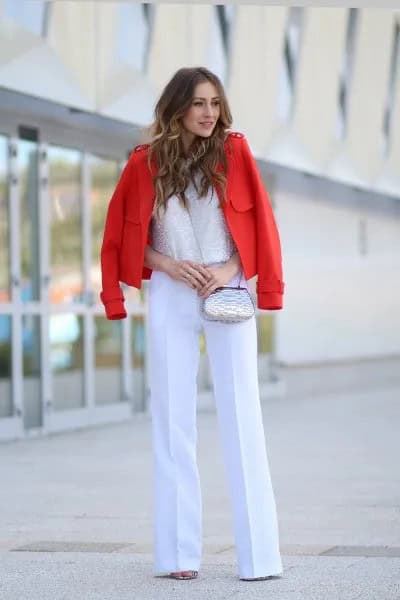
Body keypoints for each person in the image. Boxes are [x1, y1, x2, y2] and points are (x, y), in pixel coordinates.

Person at [100, 66, 285, 582]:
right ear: (178, 106)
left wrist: (230, 273)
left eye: (215, 103)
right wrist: (168, 267)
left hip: (226, 290)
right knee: (172, 422)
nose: (210, 113)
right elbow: (121, 233)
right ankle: (179, 556)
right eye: (199, 103)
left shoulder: (236, 152)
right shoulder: (143, 163)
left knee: (243, 419)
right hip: (171, 295)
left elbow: (259, 223)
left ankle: (260, 558)